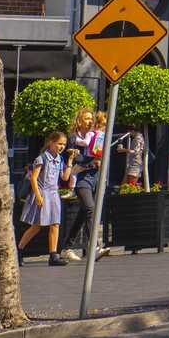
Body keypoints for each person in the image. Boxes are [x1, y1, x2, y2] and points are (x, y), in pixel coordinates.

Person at [18, 131, 71, 267]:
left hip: (54, 194)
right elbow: (33, 178)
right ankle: (18, 251)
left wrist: (70, 161)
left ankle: (53, 255)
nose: (62, 147)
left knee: (55, 224)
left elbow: (65, 177)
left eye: (64, 144)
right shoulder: (42, 158)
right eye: (59, 143)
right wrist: (38, 196)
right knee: (36, 226)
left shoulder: (59, 159)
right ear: (51, 142)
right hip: (43, 193)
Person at [61, 108, 107, 262]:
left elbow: (97, 153)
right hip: (80, 179)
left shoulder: (93, 136)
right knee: (90, 209)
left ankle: (66, 248)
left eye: (91, 118)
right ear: (79, 121)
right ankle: (95, 247)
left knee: (83, 215)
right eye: (86, 118)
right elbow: (77, 159)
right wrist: (93, 160)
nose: (90, 121)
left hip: (94, 177)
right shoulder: (74, 138)